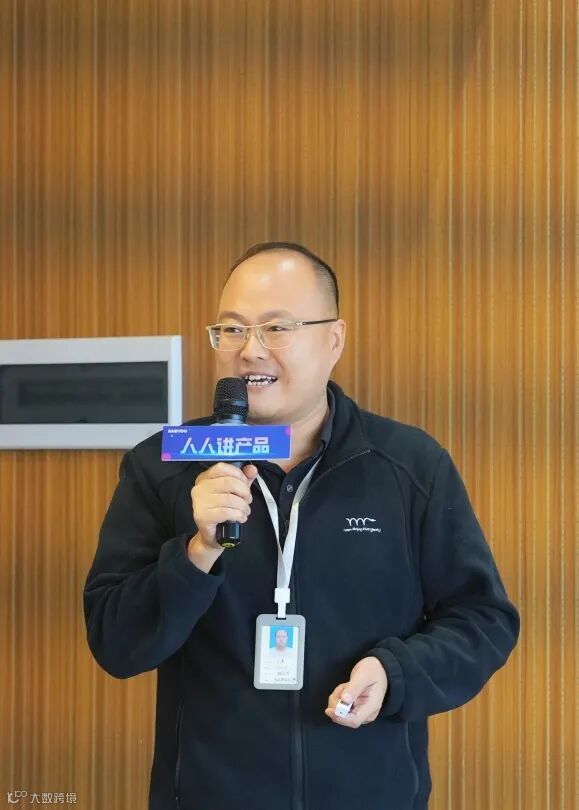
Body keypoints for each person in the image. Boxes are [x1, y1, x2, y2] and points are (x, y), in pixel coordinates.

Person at [83, 241, 520, 810]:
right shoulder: (164, 466)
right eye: (232, 330)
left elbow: (482, 619)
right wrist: (196, 554)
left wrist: (396, 673)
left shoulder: (410, 466)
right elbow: (116, 643)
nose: (250, 351)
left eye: (276, 328)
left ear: (334, 339)